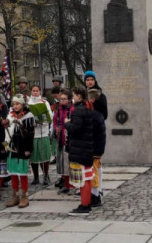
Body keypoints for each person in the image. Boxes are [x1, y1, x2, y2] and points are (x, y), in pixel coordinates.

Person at [66, 86, 105, 216]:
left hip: (80, 148)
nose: (72, 98)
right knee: (87, 177)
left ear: (79, 96)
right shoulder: (88, 109)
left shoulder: (78, 110)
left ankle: (85, 205)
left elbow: (75, 129)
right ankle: (86, 202)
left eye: (73, 95)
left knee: (83, 178)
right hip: (87, 147)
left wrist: (67, 123)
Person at [4, 95, 35, 208]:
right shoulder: (11, 116)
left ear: (23, 104)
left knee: (22, 173)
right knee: (13, 172)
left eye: (18, 104)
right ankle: (15, 196)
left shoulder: (28, 116)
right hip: (12, 146)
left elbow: (30, 135)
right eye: (13, 104)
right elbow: (7, 132)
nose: (15, 106)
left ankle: (24, 196)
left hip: (23, 147)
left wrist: (28, 149)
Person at [27, 85, 53, 186]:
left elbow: (49, 116)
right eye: (33, 91)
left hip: (43, 131)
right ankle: (36, 177)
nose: (35, 93)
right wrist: (32, 122)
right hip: (32, 133)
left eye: (37, 91)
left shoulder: (44, 102)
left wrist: (43, 120)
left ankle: (46, 175)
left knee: (44, 155)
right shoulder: (28, 103)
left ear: (40, 92)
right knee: (34, 156)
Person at [87, 88, 107, 208]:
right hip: (97, 147)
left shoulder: (94, 115)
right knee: (96, 169)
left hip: (94, 148)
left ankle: (95, 196)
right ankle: (97, 191)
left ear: (92, 100)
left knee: (94, 171)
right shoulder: (97, 115)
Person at [53, 88, 73, 193]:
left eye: (64, 99)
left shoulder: (72, 109)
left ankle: (70, 185)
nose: (62, 101)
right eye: (61, 99)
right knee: (62, 162)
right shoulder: (59, 109)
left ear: (69, 100)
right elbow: (55, 120)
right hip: (61, 138)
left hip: (68, 138)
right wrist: (56, 128)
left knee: (68, 162)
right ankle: (65, 183)